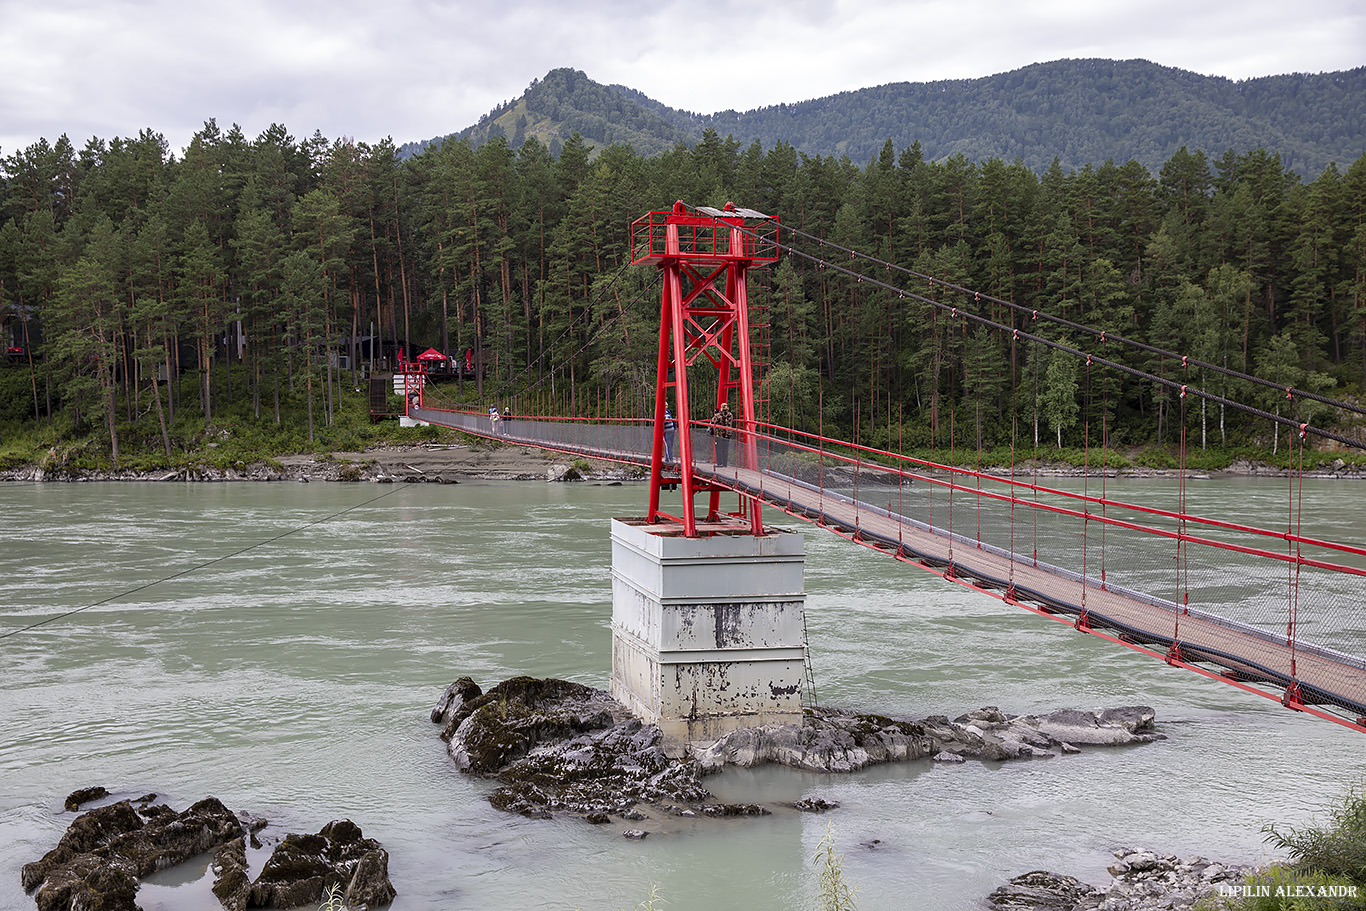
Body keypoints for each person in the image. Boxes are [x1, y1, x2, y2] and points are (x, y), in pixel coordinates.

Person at [710, 401, 734, 467]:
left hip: (719, 434)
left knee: (719, 449)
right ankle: (725, 463)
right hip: (727, 434)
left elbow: (712, 421)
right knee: (725, 449)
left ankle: (720, 463)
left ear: (721, 408)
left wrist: (715, 413)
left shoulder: (718, 415)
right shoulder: (730, 415)